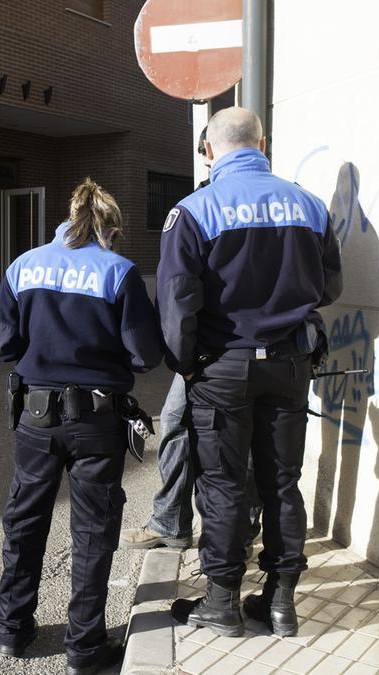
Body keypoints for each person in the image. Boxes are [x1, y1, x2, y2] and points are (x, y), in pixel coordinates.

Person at [157, 107, 342, 638]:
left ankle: (221, 601)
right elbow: (330, 287)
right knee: (282, 482)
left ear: (210, 150)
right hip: (290, 364)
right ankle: (281, 603)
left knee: (223, 486)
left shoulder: (193, 212)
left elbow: (175, 305)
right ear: (264, 143)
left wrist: (187, 366)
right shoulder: (309, 204)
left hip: (222, 367)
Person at [0, 178, 163, 674]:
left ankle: (13, 629)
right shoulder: (119, 272)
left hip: (36, 419)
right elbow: (145, 354)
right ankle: (85, 647)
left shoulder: (24, 265)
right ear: (111, 227)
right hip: (96, 421)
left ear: (66, 219)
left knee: (24, 521)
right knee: (92, 530)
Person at [119, 127, 262, 552]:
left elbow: (177, 292)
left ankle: (232, 533)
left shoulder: (203, 205)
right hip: (232, 349)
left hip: (212, 350)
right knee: (182, 428)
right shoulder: (275, 197)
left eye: (206, 150)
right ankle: (176, 523)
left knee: (221, 439)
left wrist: (183, 359)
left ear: (210, 149)